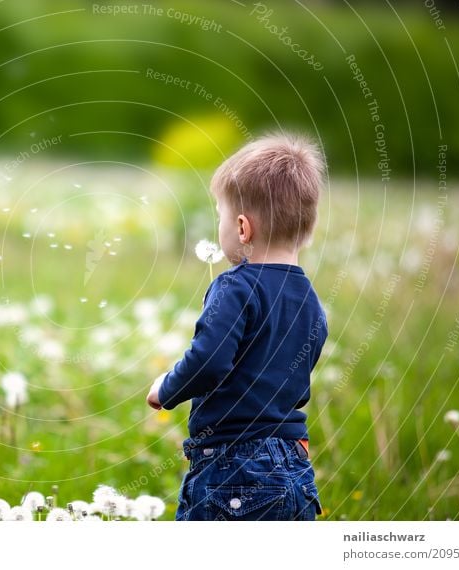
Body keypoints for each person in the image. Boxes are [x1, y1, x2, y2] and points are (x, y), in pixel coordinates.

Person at [146, 131, 328, 520]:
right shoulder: (310, 299)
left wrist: (167, 388)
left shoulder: (234, 285)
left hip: (233, 468)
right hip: (294, 463)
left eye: (221, 218)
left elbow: (208, 360)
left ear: (243, 228)